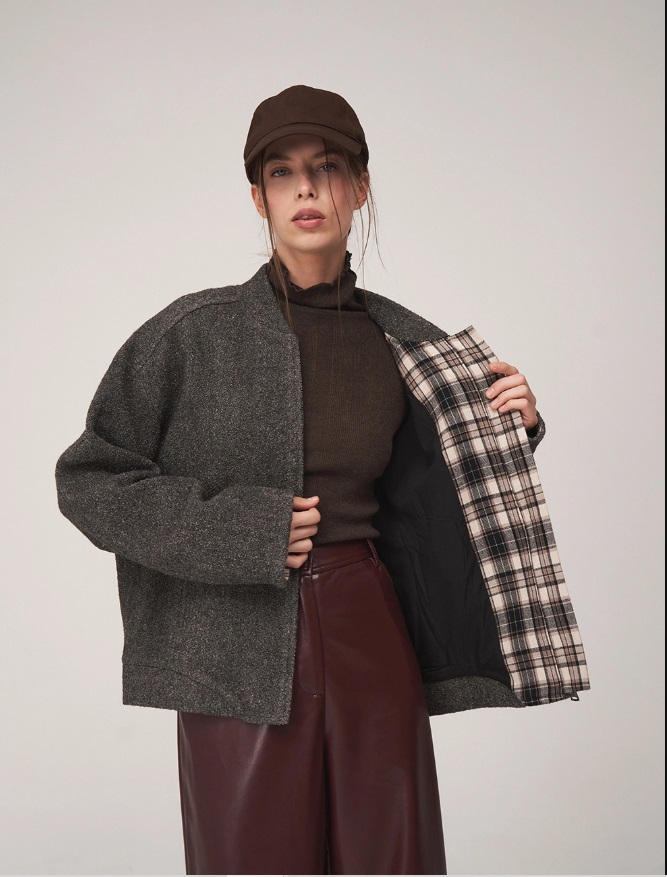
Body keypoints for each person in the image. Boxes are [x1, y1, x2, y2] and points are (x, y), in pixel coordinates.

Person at [55, 84, 589, 875]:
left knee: (390, 857)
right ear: (258, 197)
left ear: (360, 187)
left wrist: (515, 427)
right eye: (282, 172)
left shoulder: (411, 344)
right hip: (231, 648)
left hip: (369, 622)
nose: (306, 188)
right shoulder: (190, 335)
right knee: (253, 860)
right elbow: (89, 479)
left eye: (327, 167)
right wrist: (244, 529)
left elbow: (452, 498)